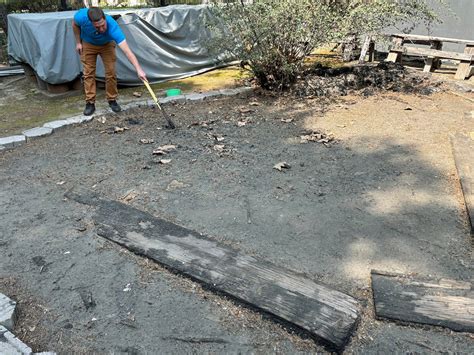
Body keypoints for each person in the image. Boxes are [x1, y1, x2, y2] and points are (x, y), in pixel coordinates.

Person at [72, 7, 147, 115]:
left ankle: (112, 100)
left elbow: (128, 52)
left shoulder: (113, 27)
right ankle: (90, 102)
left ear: (105, 18)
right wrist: (78, 42)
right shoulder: (81, 17)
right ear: (91, 22)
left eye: (103, 25)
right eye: (98, 27)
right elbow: (74, 24)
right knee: (88, 73)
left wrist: (139, 70)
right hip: (88, 44)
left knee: (111, 72)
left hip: (106, 44)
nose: (102, 29)